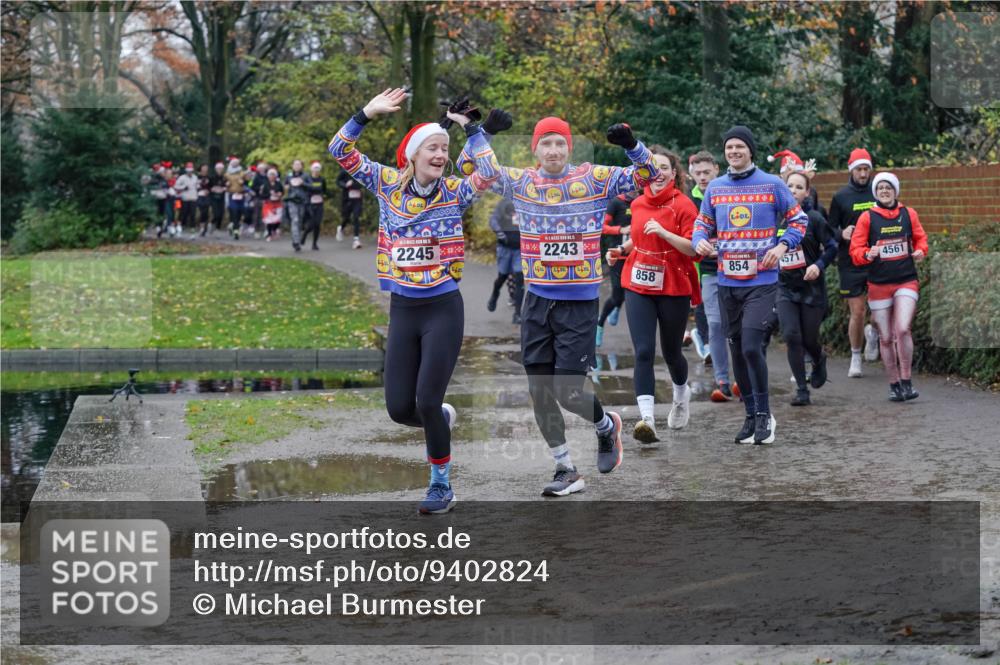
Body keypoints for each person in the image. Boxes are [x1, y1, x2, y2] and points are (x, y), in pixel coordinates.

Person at [457, 113, 658, 496]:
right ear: (535, 149)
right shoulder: (522, 182)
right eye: (545, 143)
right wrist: (475, 132)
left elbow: (649, 178)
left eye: (559, 143)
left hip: (579, 303)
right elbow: (473, 168)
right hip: (537, 300)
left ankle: (605, 427)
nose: (553, 150)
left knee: (567, 391)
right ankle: (565, 468)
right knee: (539, 390)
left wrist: (633, 147)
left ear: (570, 147)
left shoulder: (594, 179)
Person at [328, 88, 501, 514]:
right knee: (400, 409)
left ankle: (441, 485)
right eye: (433, 147)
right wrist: (366, 113)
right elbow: (339, 150)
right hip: (403, 310)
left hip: (443, 308)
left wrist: (472, 129)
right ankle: (441, 418)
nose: (441, 154)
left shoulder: (456, 192)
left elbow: (491, 171)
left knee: (425, 401)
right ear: (413, 154)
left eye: (445, 148)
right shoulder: (387, 184)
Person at [692, 125, 807, 445]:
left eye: (740, 147)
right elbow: (702, 225)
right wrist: (701, 242)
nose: (734, 152)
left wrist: (781, 247)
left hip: (763, 281)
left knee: (751, 346)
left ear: (751, 151)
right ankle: (749, 416)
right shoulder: (715, 188)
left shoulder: (772, 185)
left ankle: (764, 416)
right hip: (728, 280)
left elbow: (799, 220)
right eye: (729, 148)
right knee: (736, 350)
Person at [606, 146, 699, 443]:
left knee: (671, 353)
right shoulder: (639, 203)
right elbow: (639, 237)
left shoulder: (684, 205)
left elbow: (694, 249)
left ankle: (681, 395)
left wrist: (665, 233)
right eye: (652, 168)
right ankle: (647, 420)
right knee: (644, 351)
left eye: (664, 168)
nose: (658, 174)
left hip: (673, 284)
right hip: (638, 283)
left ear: (674, 173)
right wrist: (621, 251)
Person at [849, 172, 927, 402]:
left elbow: (921, 238)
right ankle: (894, 384)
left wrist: (922, 250)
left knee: (902, 329)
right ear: (876, 192)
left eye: (888, 187)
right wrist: (866, 253)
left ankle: (907, 380)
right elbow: (855, 251)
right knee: (885, 337)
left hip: (906, 280)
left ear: (895, 190)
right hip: (879, 284)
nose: (884, 190)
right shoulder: (867, 218)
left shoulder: (908, 214)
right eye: (880, 187)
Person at [776, 166, 838, 406]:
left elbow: (832, 246)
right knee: (792, 336)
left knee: (809, 339)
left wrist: (819, 265)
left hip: (811, 288)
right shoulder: (775, 218)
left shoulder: (814, 219)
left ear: (807, 192)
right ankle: (802, 389)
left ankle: (818, 358)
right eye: (789, 185)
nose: (793, 190)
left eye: (799, 187)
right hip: (785, 287)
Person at [828, 148, 879, 377]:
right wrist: (842, 234)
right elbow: (829, 230)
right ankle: (855, 357)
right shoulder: (841, 197)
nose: (863, 173)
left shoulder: (879, 191)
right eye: (859, 169)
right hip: (850, 261)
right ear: (852, 170)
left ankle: (873, 333)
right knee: (857, 310)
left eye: (866, 169)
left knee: (879, 312)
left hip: (876, 259)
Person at [595, 191, 637, 347]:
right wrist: (620, 230)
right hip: (617, 255)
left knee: (632, 291)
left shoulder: (643, 200)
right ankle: (599, 324)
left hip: (637, 256)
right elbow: (602, 226)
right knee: (618, 293)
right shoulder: (616, 202)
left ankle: (618, 305)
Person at [487, 198, 524, 324]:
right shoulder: (503, 203)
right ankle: (495, 294)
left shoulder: (525, 202)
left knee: (520, 279)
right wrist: (500, 233)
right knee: (502, 277)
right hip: (505, 248)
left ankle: (518, 314)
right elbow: (493, 220)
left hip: (520, 249)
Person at [284, 159, 309, 251]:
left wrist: (303, 184)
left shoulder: (305, 176)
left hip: (302, 201)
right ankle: (296, 242)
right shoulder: (288, 175)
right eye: (295, 164)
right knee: (295, 220)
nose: (297, 166)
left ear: (302, 166)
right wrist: (286, 188)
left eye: (299, 164)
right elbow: (285, 186)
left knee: (299, 221)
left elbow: (310, 186)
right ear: (292, 166)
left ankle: (296, 239)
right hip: (292, 201)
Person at [336, 167, 364, 248]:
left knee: (356, 217)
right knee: (346, 218)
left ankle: (356, 240)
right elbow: (338, 181)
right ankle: (341, 228)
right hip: (347, 199)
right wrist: (345, 185)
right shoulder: (344, 170)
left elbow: (364, 183)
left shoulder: (361, 171)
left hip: (358, 199)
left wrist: (356, 183)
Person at [303, 161, 326, 250]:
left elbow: (324, 190)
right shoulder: (308, 179)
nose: (316, 171)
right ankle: (305, 233)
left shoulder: (322, 179)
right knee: (312, 224)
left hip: (319, 204)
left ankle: (314, 243)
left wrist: (323, 196)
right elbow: (305, 188)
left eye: (318, 170)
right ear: (311, 170)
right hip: (310, 204)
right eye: (314, 169)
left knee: (317, 224)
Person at [225, 157, 246, 239]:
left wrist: (243, 183)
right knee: (234, 211)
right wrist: (227, 185)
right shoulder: (227, 174)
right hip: (232, 194)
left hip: (241, 194)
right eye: (234, 163)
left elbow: (249, 183)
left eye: (237, 163)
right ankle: (235, 230)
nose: (235, 164)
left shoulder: (242, 173)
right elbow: (223, 184)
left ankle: (233, 225)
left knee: (241, 211)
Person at [261, 168, 284, 241]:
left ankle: (274, 230)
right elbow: (262, 195)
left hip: (277, 203)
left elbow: (282, 192)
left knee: (277, 219)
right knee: (269, 220)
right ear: (268, 176)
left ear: (276, 176)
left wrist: (279, 194)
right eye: (270, 175)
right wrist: (269, 195)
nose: (272, 176)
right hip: (269, 203)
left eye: (273, 175)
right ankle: (269, 234)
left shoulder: (279, 184)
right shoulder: (265, 184)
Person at [208, 161, 227, 236]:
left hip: (221, 197)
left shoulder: (224, 178)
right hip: (214, 198)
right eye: (218, 169)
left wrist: (224, 188)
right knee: (216, 213)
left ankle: (218, 227)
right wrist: (212, 189)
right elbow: (208, 186)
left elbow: (227, 186)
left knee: (221, 213)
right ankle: (212, 223)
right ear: (216, 169)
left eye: (221, 169)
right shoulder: (212, 177)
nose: (220, 170)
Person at [196, 164, 212, 237]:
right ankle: (201, 226)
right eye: (203, 168)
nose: (205, 169)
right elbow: (195, 186)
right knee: (201, 211)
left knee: (206, 211)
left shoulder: (209, 177)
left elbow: (212, 186)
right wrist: (200, 189)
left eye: (206, 168)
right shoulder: (197, 177)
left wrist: (208, 191)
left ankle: (204, 227)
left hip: (207, 196)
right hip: (199, 196)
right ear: (201, 169)